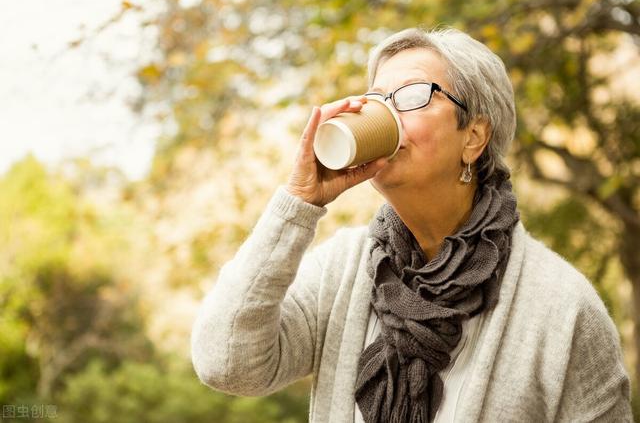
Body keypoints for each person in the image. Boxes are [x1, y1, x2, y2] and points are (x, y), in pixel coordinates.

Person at [191, 27, 632, 422]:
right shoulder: (341, 271)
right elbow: (226, 363)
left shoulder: (563, 307)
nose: (385, 113)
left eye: (413, 95)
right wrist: (298, 202)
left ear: (474, 137)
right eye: (378, 98)